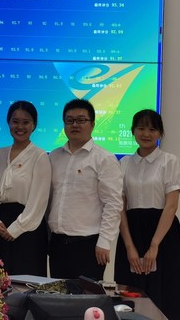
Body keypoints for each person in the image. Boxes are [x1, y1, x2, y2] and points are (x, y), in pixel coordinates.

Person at [114, 109, 180, 320]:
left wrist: (154, 245)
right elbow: (120, 207)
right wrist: (129, 247)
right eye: (141, 128)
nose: (146, 134)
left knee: (164, 292)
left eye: (152, 129)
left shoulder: (169, 161)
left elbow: (171, 206)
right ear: (132, 131)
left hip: (163, 236)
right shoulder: (124, 163)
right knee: (129, 294)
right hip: (132, 234)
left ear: (160, 133)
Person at [47, 98, 123, 280]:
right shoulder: (54, 156)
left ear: (92, 124)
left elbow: (113, 203)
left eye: (81, 120)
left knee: (87, 297)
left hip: (88, 245)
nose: (75, 125)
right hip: (57, 243)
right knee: (57, 295)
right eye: (69, 120)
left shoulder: (104, 158)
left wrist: (105, 241)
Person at [0, 101, 51, 276]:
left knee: (27, 282)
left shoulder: (40, 156)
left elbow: (38, 201)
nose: (20, 127)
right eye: (15, 121)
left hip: (28, 229)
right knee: (0, 281)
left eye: (26, 122)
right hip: (1, 227)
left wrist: (16, 229)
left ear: (34, 125)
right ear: (8, 123)